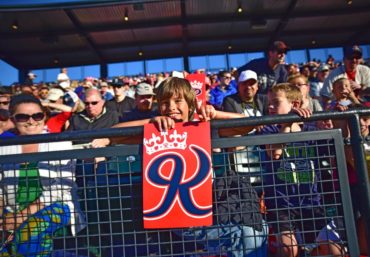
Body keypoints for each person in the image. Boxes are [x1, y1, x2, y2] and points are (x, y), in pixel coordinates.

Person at [92, 77, 268, 256]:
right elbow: (115, 134)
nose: (171, 107)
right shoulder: (157, 131)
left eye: (178, 101)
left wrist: (216, 115)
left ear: (190, 104)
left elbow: (250, 125)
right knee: (249, 237)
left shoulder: (204, 126)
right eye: (165, 102)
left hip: (217, 207)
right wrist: (150, 123)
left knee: (259, 228)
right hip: (183, 216)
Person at [259, 83, 345, 257]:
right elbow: (275, 153)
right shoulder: (268, 128)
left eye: (276, 102)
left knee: (335, 250)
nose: (270, 107)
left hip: (311, 203)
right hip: (281, 205)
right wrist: (286, 124)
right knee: (288, 249)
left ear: (295, 105)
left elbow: (335, 152)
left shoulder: (311, 131)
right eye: (269, 103)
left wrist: (338, 118)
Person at [0, 93, 85, 256]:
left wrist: (23, 215)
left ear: (44, 116)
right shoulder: (4, 146)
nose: (31, 121)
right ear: (13, 118)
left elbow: (61, 189)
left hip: (58, 206)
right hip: (14, 208)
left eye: (37, 115)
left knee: (30, 232)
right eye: (23, 117)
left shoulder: (59, 143)